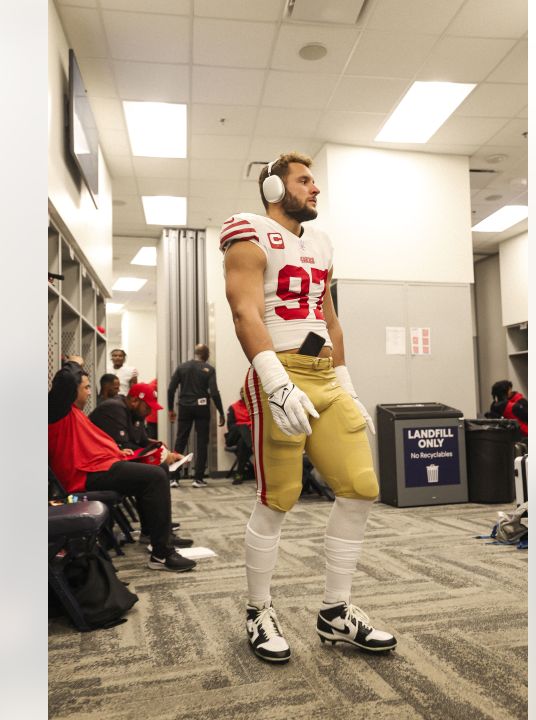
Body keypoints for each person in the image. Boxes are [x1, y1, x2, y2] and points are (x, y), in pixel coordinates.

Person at [220, 151, 396, 663]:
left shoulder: (320, 243)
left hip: (324, 377)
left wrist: (346, 382)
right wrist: (274, 383)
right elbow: (244, 308)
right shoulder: (249, 231)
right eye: (304, 181)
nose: (315, 189)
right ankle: (258, 610)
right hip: (280, 373)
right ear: (275, 190)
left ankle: (336, 611)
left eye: (315, 181)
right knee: (280, 497)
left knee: (361, 488)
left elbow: (329, 318)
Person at [48, 357, 196, 572]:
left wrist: (115, 451)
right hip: (82, 475)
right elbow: (64, 381)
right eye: (87, 387)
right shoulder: (57, 410)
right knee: (155, 476)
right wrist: (75, 363)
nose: (90, 392)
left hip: (98, 467)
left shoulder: (73, 411)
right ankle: (162, 555)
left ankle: (154, 536)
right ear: (71, 390)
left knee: (157, 472)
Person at [166, 343, 224, 489]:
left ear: (195, 353)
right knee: (202, 442)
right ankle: (198, 479)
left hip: (185, 407)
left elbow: (171, 389)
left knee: (180, 440)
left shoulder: (182, 367)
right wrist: (221, 412)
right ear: (207, 355)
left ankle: (174, 478)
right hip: (202, 408)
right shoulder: (209, 369)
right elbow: (214, 392)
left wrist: (170, 409)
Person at [224, 398, 254, 485]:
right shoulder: (233, 407)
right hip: (233, 438)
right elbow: (230, 426)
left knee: (242, 442)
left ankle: (239, 474)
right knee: (242, 428)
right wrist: (246, 425)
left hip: (248, 437)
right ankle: (250, 445)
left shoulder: (254, 408)